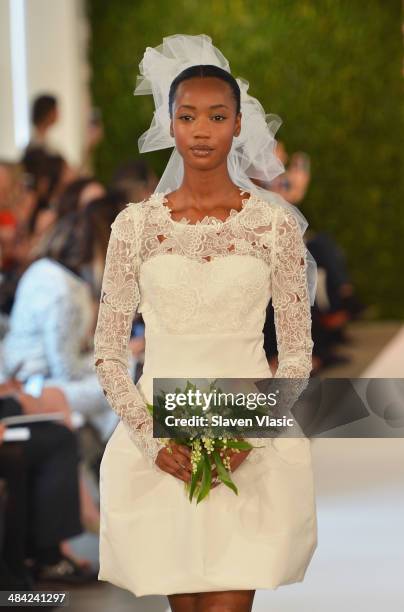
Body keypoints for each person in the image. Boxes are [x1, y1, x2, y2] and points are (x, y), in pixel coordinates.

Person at [94, 35, 317, 612]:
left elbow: (296, 354)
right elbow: (108, 354)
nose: (201, 130)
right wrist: (152, 440)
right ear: (169, 125)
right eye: (187, 116)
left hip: (248, 438)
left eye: (217, 116)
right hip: (162, 442)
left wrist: (250, 434)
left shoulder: (273, 227)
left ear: (238, 125)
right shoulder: (135, 228)